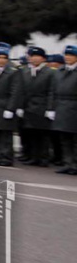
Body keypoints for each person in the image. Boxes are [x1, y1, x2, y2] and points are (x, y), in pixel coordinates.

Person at [0, 44, 22, 166]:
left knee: (6, 135)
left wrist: (10, 108)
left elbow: (15, 92)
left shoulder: (13, 72)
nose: (1, 60)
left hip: (4, 105)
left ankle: (6, 157)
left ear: (7, 59)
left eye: (4, 57)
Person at [20, 46, 55, 167]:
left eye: (37, 56)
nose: (34, 59)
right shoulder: (25, 71)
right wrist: (20, 106)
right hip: (28, 106)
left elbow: (51, 91)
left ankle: (44, 158)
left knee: (43, 135)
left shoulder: (49, 72)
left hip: (42, 106)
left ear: (43, 59)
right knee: (31, 133)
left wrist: (50, 108)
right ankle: (33, 157)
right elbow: (21, 90)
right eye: (32, 56)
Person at [52, 46, 77, 175]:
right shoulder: (60, 71)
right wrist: (51, 108)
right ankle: (68, 163)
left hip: (74, 107)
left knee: (74, 139)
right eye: (66, 55)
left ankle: (75, 164)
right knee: (64, 138)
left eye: (71, 55)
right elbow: (52, 90)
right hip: (61, 106)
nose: (68, 57)